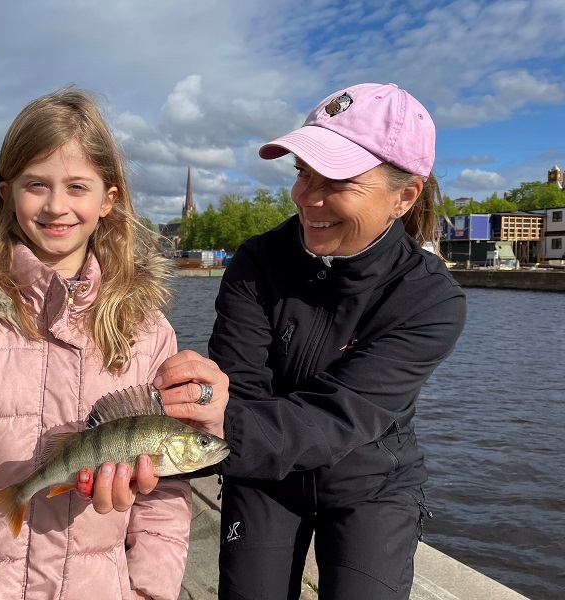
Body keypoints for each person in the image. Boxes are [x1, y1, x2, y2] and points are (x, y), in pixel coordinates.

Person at [145, 83, 465, 600]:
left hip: (371, 482)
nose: (307, 197)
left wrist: (222, 421)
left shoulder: (430, 299)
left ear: (403, 197)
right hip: (263, 474)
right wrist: (205, 411)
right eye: (302, 171)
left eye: (337, 178)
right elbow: (242, 386)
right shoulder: (256, 264)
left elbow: (342, 415)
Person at [0, 87, 194, 600]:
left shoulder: (149, 329)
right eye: (36, 185)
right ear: (4, 193)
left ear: (108, 200)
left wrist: (148, 588)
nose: (56, 206)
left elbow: (169, 492)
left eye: (76, 186)